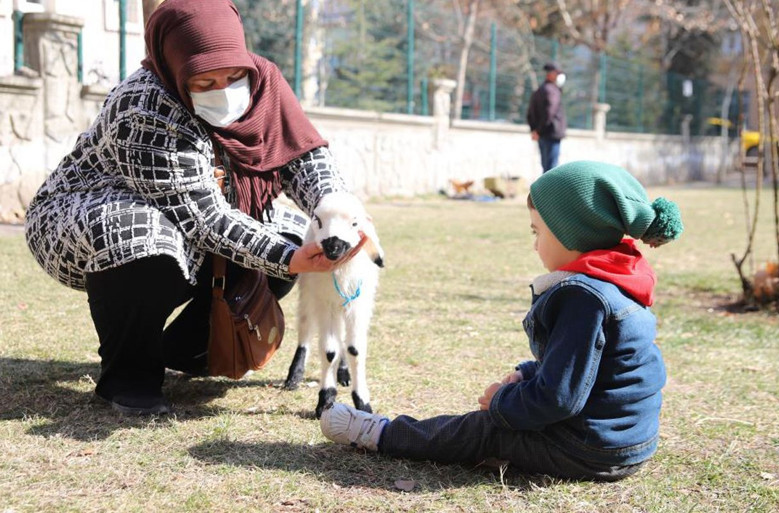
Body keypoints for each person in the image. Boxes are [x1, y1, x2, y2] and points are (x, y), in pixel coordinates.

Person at [23, 0, 365, 415]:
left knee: (289, 234)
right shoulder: (144, 106)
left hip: (196, 212)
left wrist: (335, 213)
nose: (224, 89)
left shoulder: (264, 80)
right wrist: (287, 257)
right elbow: (203, 217)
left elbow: (303, 158)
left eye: (234, 76)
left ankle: (186, 351)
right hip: (82, 215)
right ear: (176, 66)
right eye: (204, 81)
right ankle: (129, 377)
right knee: (141, 236)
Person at [320, 160, 683, 481]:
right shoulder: (618, 280)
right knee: (503, 424)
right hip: (627, 442)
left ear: (573, 232)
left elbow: (558, 399)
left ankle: (381, 433)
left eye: (537, 231)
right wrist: (529, 374)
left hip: (591, 448)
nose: (534, 244)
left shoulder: (583, 298)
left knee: (485, 430)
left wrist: (502, 402)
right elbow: (597, 367)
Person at [527, 62, 567, 173]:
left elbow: (530, 113)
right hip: (551, 133)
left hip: (541, 134)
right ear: (551, 74)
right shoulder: (552, 91)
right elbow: (550, 112)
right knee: (551, 169)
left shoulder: (539, 90)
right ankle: (549, 185)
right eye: (557, 73)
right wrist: (538, 130)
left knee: (546, 166)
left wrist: (535, 130)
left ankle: (545, 185)